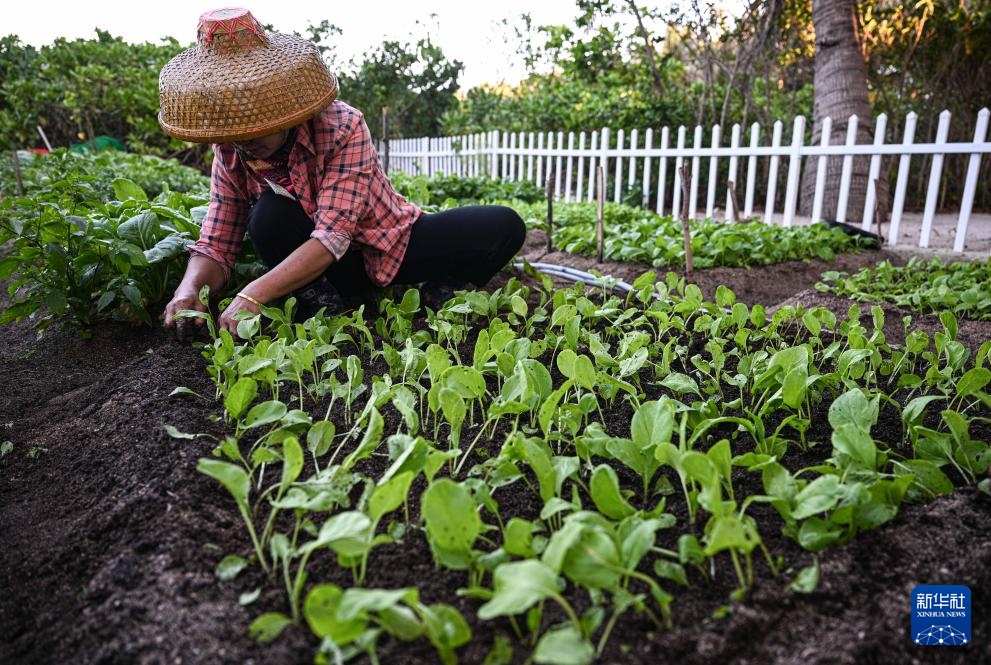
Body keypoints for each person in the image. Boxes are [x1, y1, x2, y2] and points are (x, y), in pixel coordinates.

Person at [159, 7, 525, 338]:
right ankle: (323, 302)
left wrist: (253, 293)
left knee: (504, 225)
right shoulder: (230, 149)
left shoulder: (341, 127)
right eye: (237, 133)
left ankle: (438, 289)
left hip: (389, 246)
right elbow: (217, 241)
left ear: (285, 108)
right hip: (325, 269)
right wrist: (189, 290)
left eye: (257, 129)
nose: (246, 140)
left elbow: (333, 236)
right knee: (269, 215)